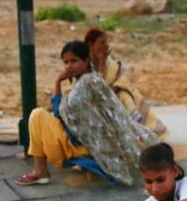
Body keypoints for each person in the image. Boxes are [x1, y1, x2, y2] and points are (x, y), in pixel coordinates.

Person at [15, 40, 158, 187]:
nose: (69, 66)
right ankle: (42, 170)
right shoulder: (92, 78)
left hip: (84, 145)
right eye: (65, 62)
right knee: (44, 118)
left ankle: (40, 171)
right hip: (96, 142)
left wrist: (58, 81)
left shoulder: (85, 83)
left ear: (86, 60)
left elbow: (60, 113)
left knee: (37, 115)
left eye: (74, 61)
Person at [84, 27, 167, 139]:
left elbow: (123, 73)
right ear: (91, 44)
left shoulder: (110, 62)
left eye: (106, 42)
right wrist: (102, 64)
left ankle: (142, 132)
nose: (105, 46)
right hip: (97, 97)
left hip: (115, 91)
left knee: (126, 96)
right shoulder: (85, 63)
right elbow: (97, 85)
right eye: (101, 43)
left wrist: (116, 87)